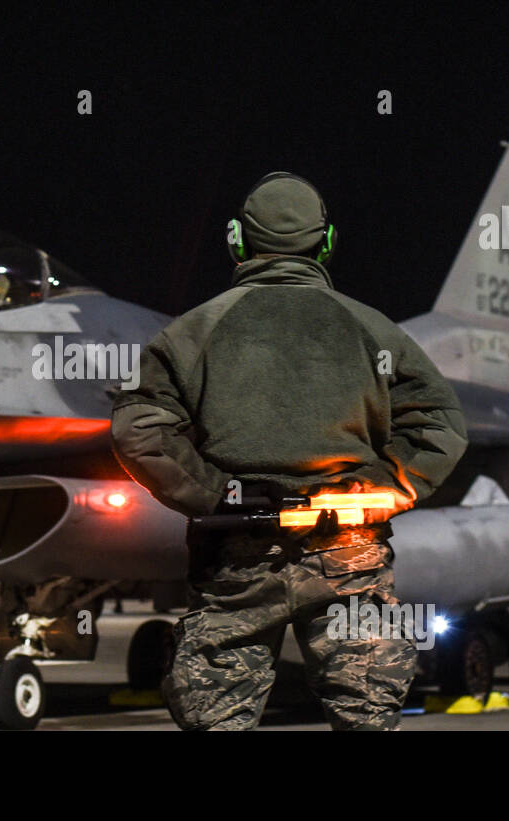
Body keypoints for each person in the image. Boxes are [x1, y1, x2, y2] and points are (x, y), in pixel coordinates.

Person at [111, 172, 467, 730]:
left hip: (236, 552)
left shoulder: (190, 333)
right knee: (367, 715)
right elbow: (440, 424)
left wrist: (216, 494)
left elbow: (139, 431)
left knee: (219, 717)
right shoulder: (374, 330)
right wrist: (370, 490)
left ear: (236, 241)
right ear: (325, 243)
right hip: (347, 547)